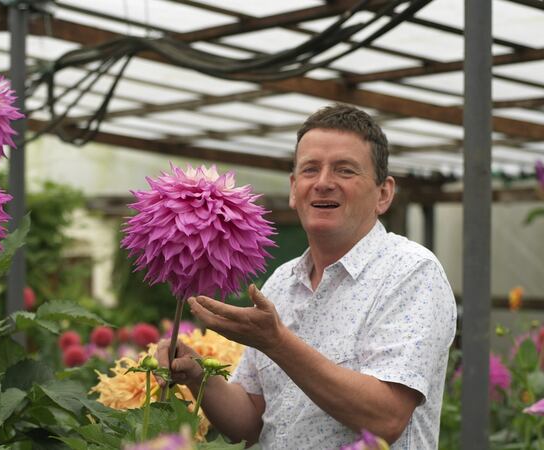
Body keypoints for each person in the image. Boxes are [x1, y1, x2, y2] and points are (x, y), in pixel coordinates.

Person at [155, 104, 456, 449]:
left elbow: (385, 418)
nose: (324, 183)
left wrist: (278, 343)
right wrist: (198, 376)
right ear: (294, 188)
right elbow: (252, 420)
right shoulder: (282, 282)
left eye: (345, 170)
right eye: (311, 170)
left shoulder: (411, 272)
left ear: (384, 193)